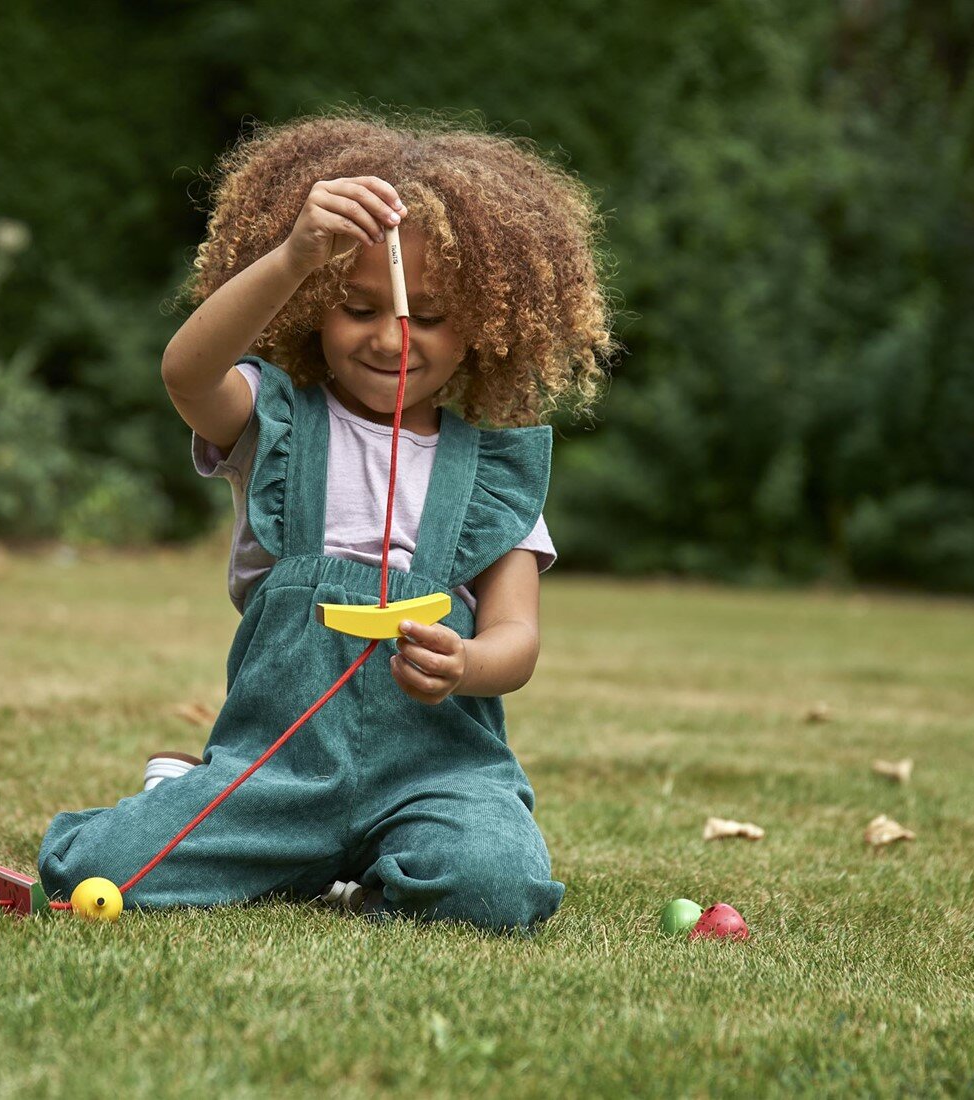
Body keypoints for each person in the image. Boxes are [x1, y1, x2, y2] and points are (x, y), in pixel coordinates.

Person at [39, 111, 615, 933]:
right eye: (357, 307)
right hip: (281, 766)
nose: (391, 338)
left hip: (440, 772)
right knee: (97, 873)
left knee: (498, 889)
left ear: (489, 324)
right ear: (316, 307)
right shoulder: (273, 423)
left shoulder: (494, 471)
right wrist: (293, 257)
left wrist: (467, 662)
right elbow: (185, 373)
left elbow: (518, 640)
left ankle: (366, 870)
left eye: (431, 314)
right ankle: (198, 797)